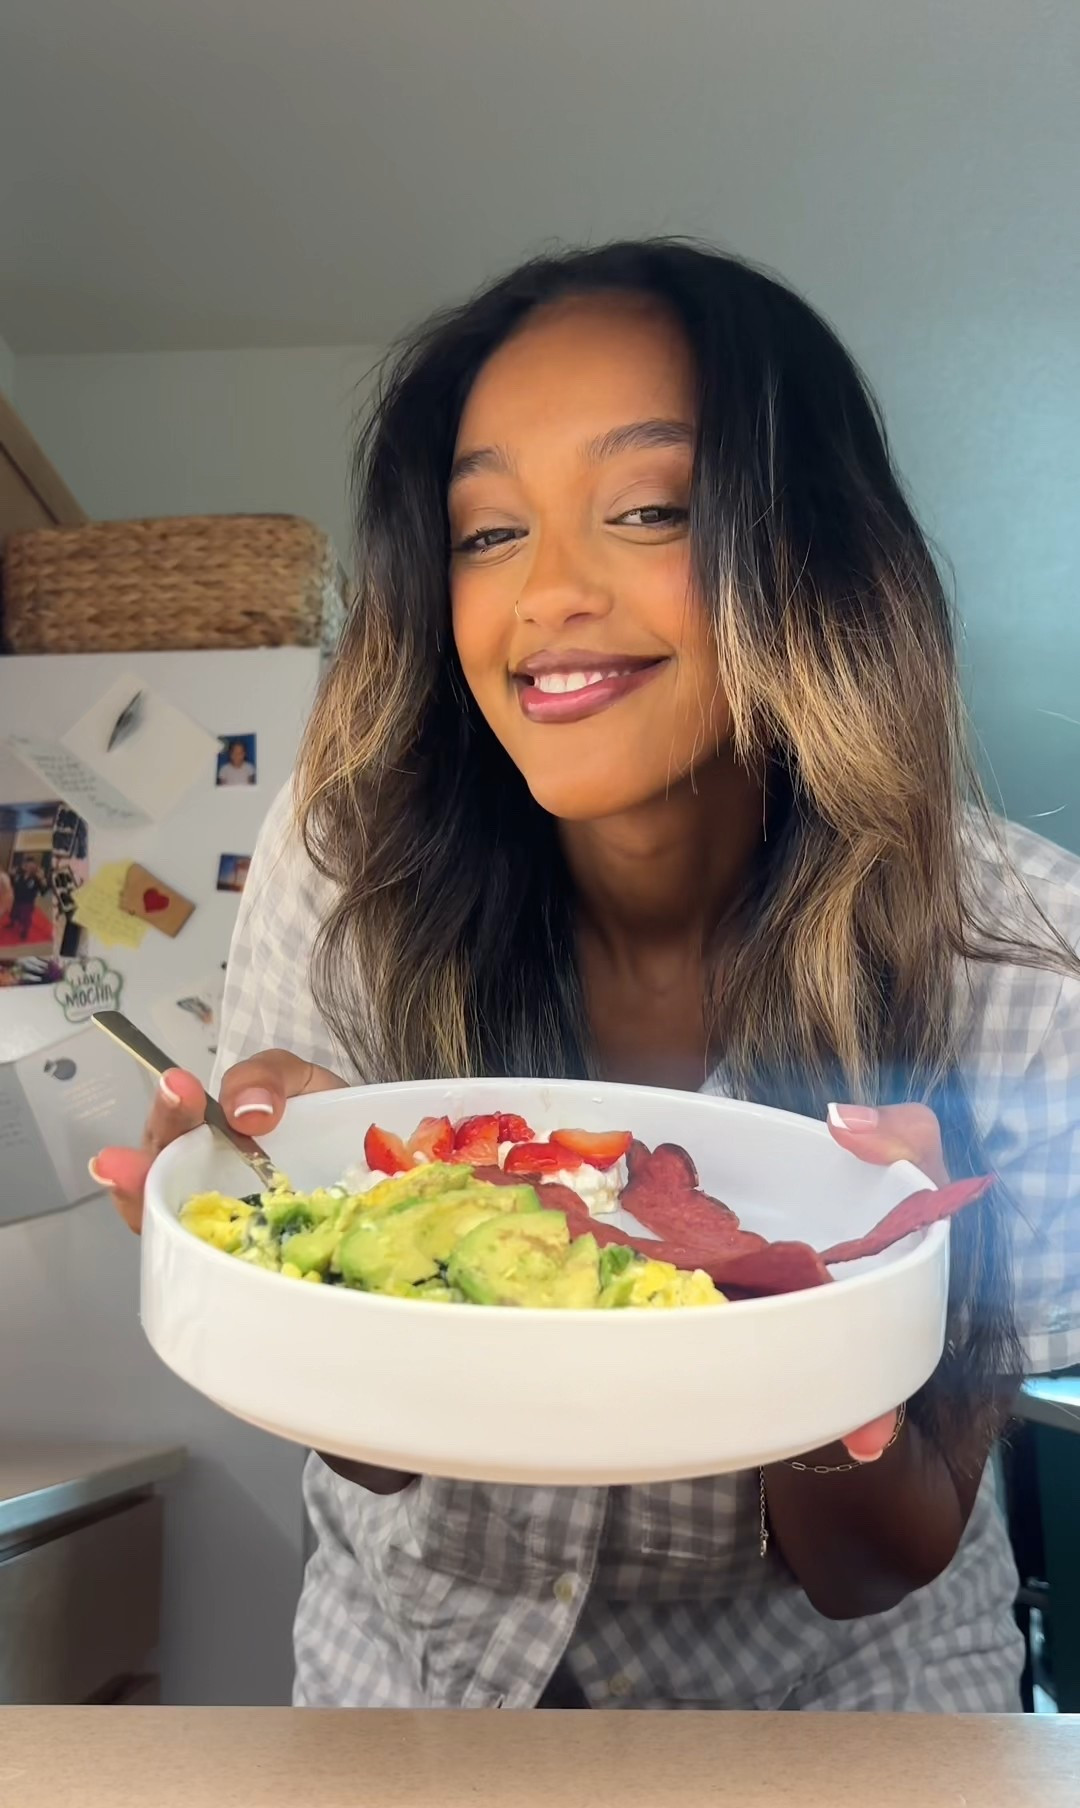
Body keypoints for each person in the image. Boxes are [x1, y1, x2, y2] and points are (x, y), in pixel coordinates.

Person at [92, 242, 1080, 1712]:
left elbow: (874, 1565)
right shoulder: (352, 856)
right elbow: (376, 1455)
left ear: (807, 551)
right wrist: (304, 1272)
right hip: (416, 1684)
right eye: (487, 532)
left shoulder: (1025, 959)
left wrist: (839, 1322)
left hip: (831, 1725)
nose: (546, 592)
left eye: (649, 510)